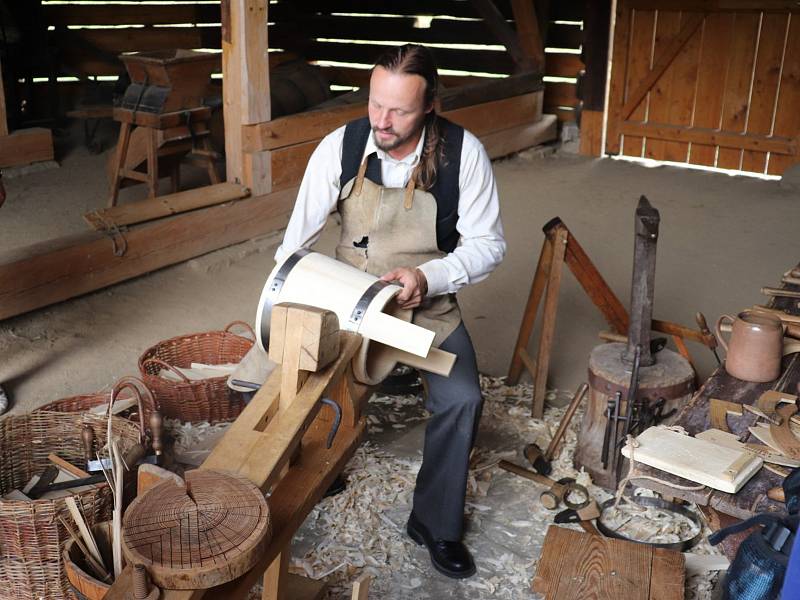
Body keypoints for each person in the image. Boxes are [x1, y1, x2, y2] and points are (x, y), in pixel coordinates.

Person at [275, 44, 505, 579]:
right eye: (376, 104)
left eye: (399, 110)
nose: (383, 120)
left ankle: (434, 523)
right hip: (347, 294)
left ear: (430, 105)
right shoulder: (342, 144)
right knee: (283, 376)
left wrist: (429, 277)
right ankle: (316, 471)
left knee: (463, 398)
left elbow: (489, 244)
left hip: (424, 298)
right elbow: (294, 243)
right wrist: (292, 300)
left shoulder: (462, 154)